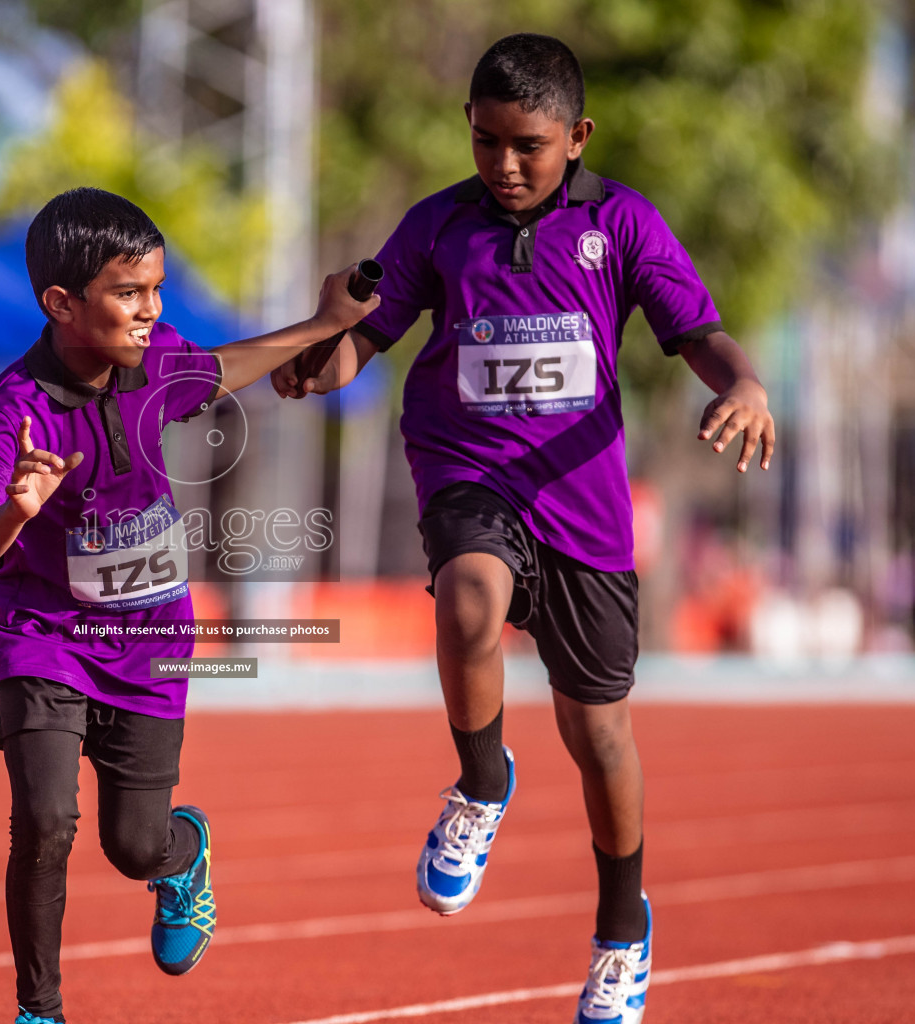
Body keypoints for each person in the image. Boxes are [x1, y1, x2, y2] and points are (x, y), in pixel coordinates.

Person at [273, 33, 775, 1024]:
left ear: (578, 137)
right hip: (468, 471)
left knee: (599, 737)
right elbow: (361, 346)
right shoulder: (437, 227)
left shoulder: (622, 223)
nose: (505, 165)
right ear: (468, 127)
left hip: (581, 504)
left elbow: (698, 333)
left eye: (530, 146)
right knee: (467, 599)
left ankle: (623, 931)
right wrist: (314, 362)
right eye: (487, 141)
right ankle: (480, 782)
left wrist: (748, 381)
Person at [0, 186, 379, 1024]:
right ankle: (40, 1009)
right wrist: (17, 510)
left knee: (131, 843)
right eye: (129, 293)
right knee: (43, 819)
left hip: (150, 645)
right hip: (48, 640)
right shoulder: (6, 415)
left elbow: (223, 368)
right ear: (61, 304)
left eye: (156, 290)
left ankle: (183, 855)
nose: (152, 310)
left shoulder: (157, 361)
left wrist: (325, 325)